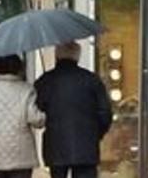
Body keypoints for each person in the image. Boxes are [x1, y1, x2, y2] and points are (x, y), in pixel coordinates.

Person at [34, 42, 112, 178]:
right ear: (78, 56)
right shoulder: (92, 80)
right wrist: (96, 133)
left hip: (55, 144)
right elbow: (105, 112)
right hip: (86, 145)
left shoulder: (46, 80)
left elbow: (37, 109)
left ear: (56, 56)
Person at [0, 55, 45, 178]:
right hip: (21, 154)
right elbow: (35, 120)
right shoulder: (27, 89)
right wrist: (44, 116)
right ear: (19, 69)